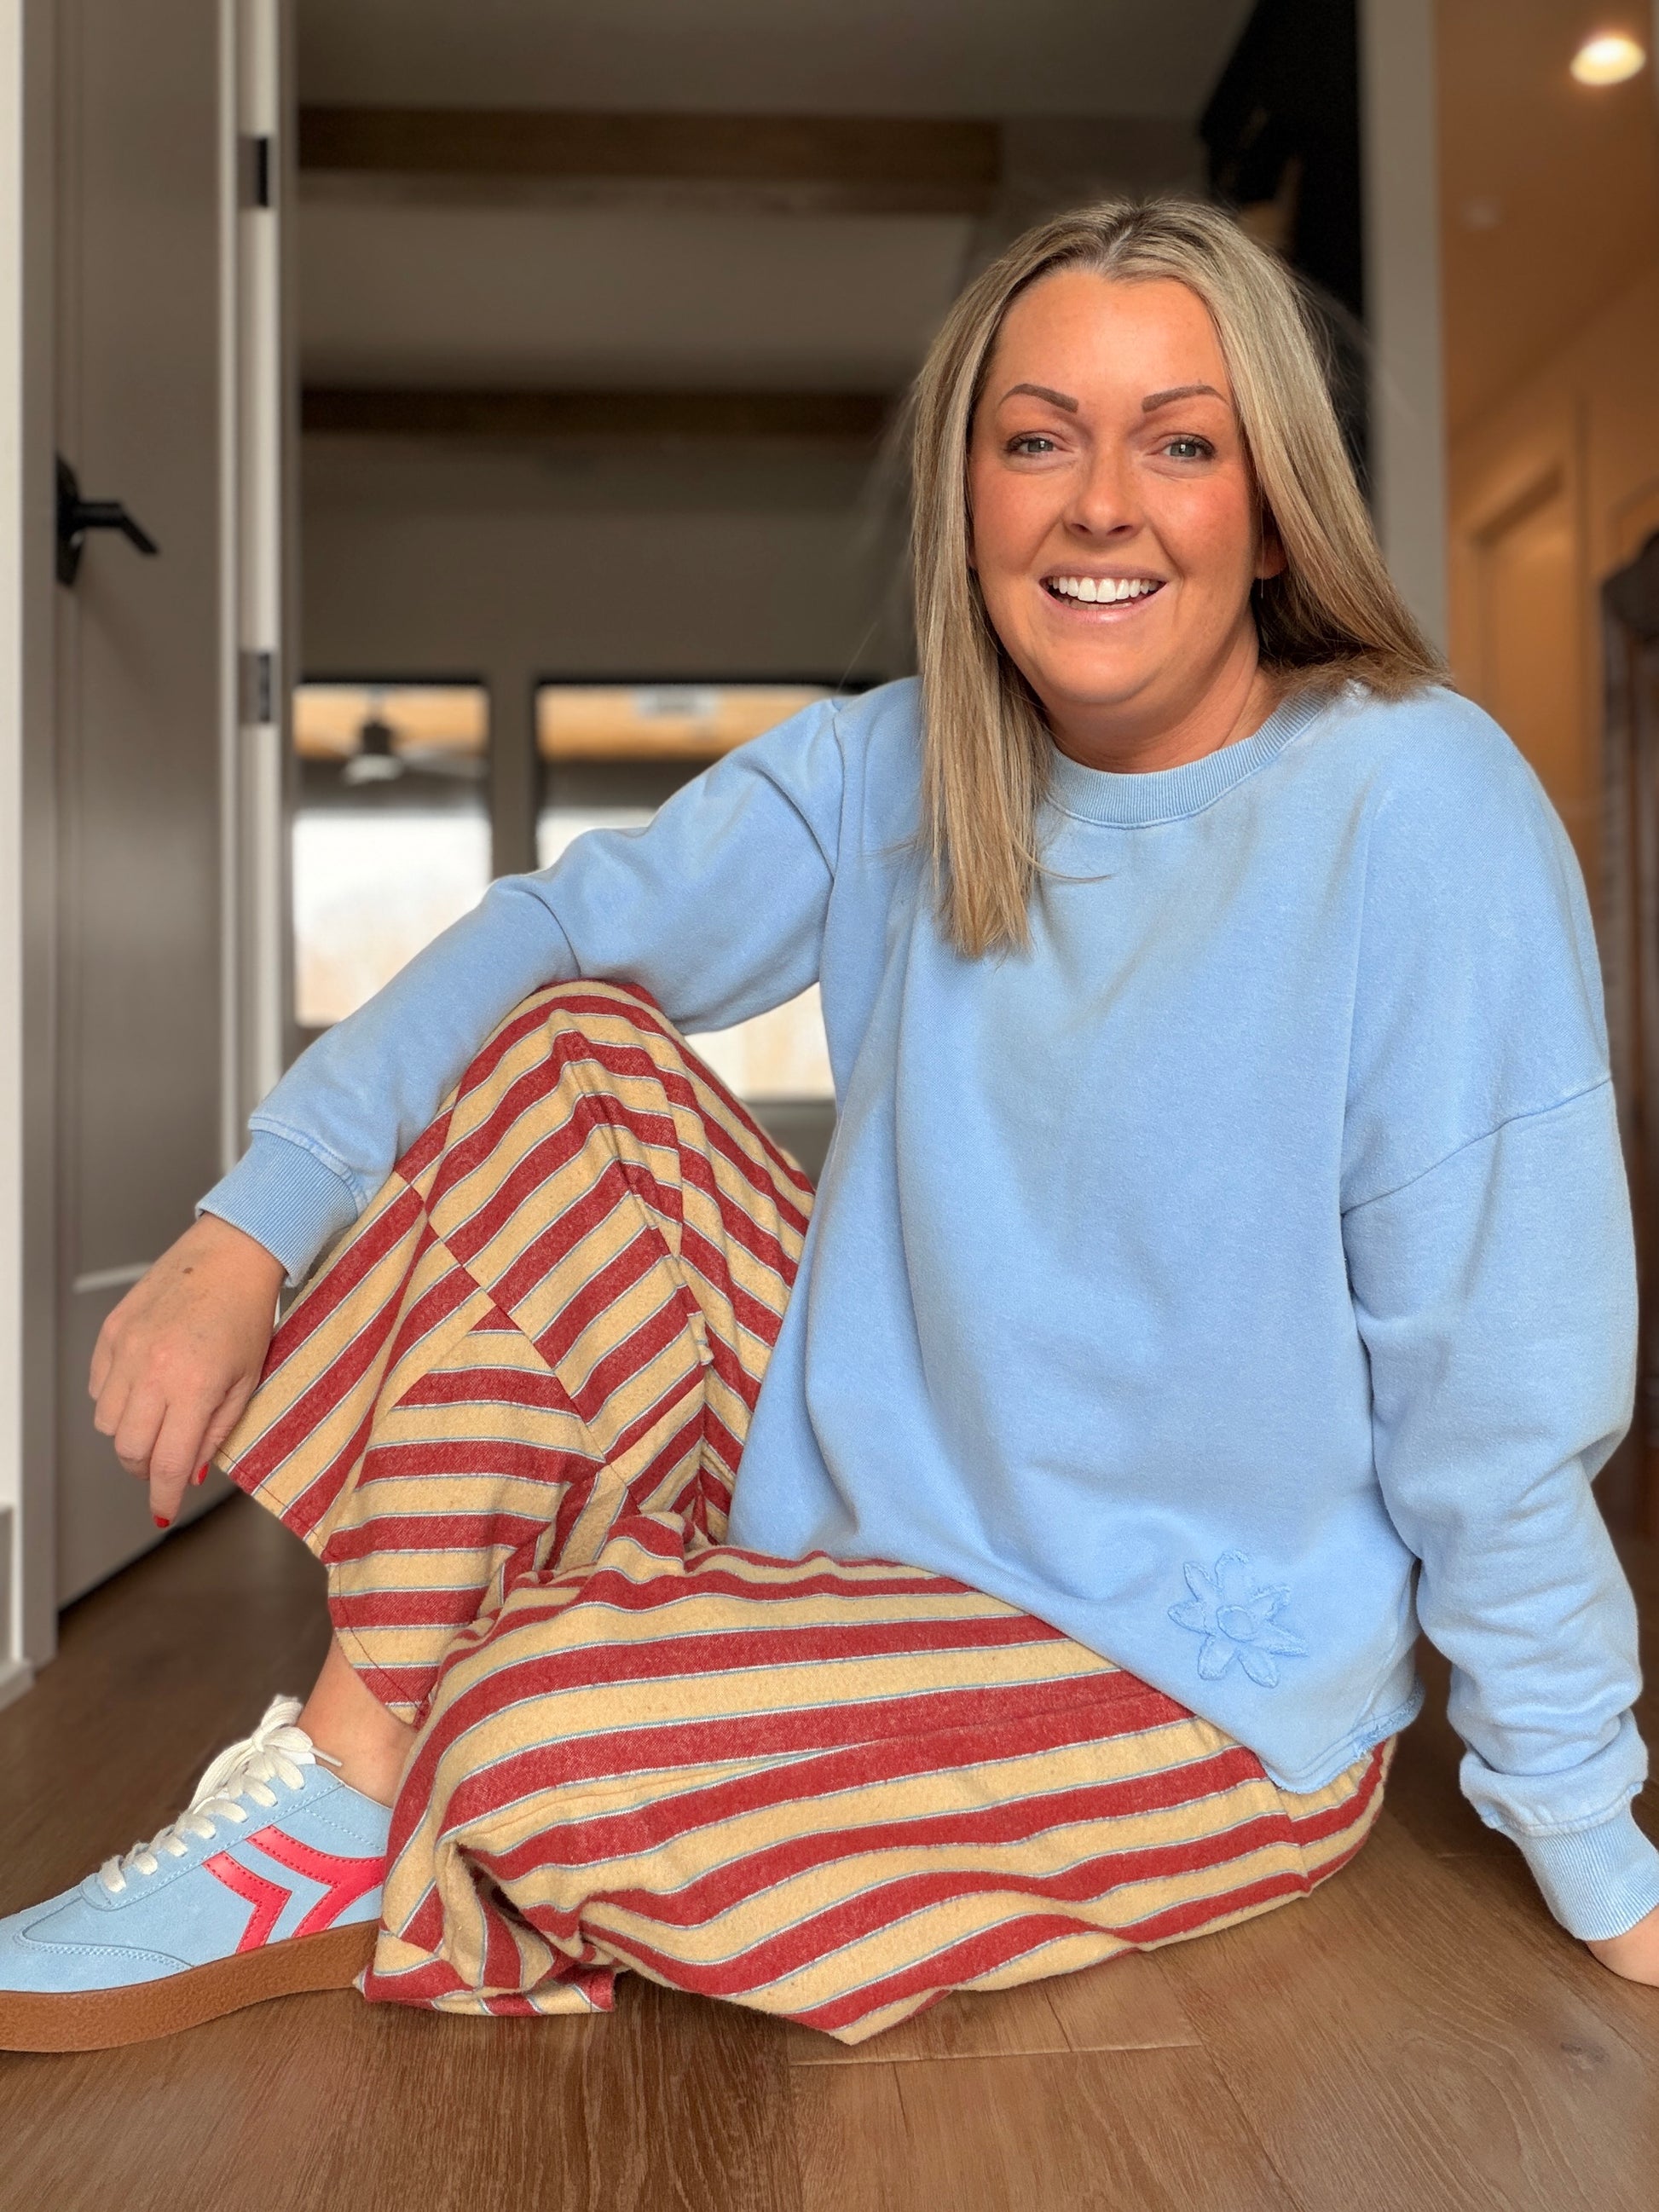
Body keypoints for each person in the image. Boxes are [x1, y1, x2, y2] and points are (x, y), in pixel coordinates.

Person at [4, 196, 1657, 2057]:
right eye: (1036, 436)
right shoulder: (888, 766)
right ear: (970, 498)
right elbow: (545, 928)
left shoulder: (1411, 799)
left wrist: (1597, 1839)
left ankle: (472, 1743)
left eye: (1178, 441)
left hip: (1184, 1677)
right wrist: (246, 1229)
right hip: (861, 1546)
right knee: (571, 1050)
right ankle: (344, 1785)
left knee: (540, 1733)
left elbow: (1494, 1381)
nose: (1099, 500)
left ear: (1269, 509)